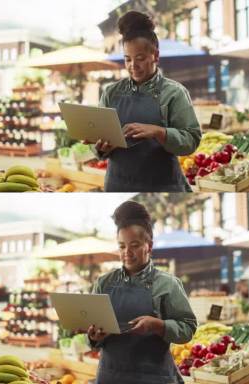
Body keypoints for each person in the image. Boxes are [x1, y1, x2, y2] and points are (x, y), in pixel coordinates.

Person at [86, 201, 197, 384]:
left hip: (153, 377)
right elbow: (91, 332)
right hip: (110, 376)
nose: (127, 252)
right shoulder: (103, 283)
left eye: (134, 245)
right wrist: (93, 336)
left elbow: (188, 328)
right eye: (122, 246)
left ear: (149, 246)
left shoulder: (168, 284)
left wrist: (158, 325)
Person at [92, 11, 201, 192]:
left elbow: (191, 139)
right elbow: (97, 144)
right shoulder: (111, 92)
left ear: (155, 56)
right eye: (127, 59)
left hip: (163, 187)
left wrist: (159, 132)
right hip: (117, 186)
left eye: (140, 58)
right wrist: (101, 148)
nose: (133, 65)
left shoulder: (173, 93)